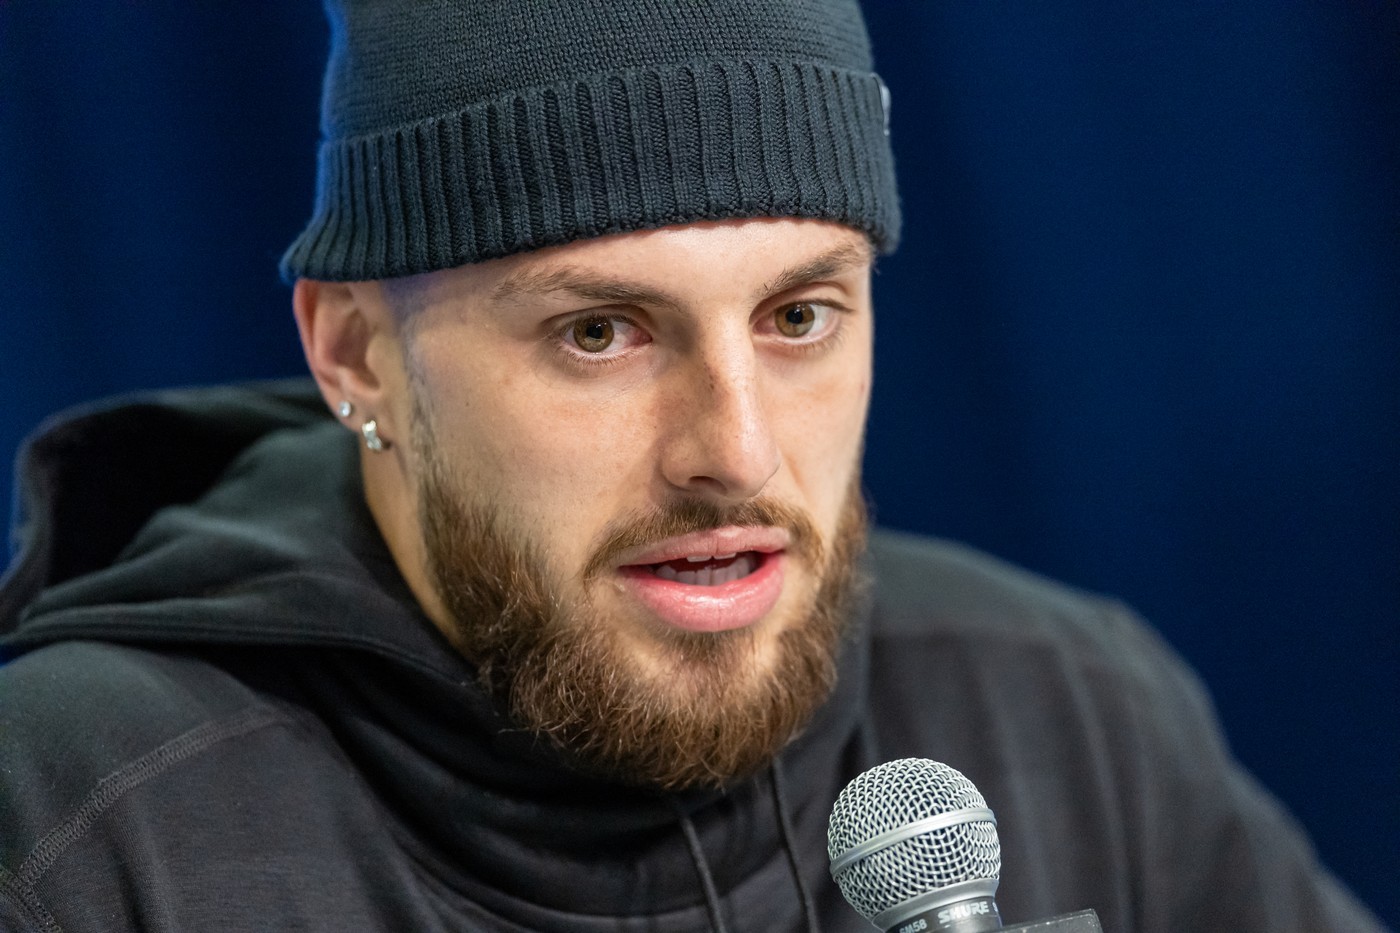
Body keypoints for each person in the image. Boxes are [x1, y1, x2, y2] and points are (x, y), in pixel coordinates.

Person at [0, 1, 1386, 931]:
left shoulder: (1066, 712)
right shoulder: (90, 828)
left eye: (799, 316)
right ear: (358, 353)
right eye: (599, 331)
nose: (734, 449)